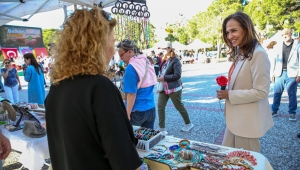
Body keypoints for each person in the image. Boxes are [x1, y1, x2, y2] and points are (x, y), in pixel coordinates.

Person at [45, 8, 142, 170]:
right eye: (112, 41)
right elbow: (125, 162)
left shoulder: (56, 89)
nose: (113, 51)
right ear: (100, 45)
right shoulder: (100, 89)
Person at [216, 12, 274, 152]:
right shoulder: (242, 52)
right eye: (227, 32)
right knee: (227, 157)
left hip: (247, 123)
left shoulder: (258, 53)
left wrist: (229, 95)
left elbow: (261, 92)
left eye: (234, 30)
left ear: (246, 29)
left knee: (247, 163)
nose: (230, 36)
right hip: (236, 120)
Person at [117, 39, 157, 129]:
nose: (120, 58)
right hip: (151, 109)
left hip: (137, 111)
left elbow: (131, 94)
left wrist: (127, 115)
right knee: (147, 140)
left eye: (121, 54)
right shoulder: (146, 61)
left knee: (131, 140)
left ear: (130, 52)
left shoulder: (131, 68)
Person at [157, 41, 194, 132]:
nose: (163, 50)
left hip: (174, 88)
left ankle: (188, 124)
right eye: (162, 49)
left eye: (165, 48)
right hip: (163, 88)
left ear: (170, 48)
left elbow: (177, 75)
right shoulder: (165, 60)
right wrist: (159, 77)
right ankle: (161, 128)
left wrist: (164, 77)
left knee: (179, 106)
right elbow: (163, 72)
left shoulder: (175, 60)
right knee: (160, 107)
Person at [271, 28, 300, 121]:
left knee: (292, 95)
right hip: (279, 73)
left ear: (291, 34)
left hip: (292, 74)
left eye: (286, 34)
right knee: (277, 93)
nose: (284, 36)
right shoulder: (278, 46)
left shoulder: (297, 46)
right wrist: (272, 72)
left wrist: (299, 74)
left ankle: (292, 113)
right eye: (282, 34)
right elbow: (273, 60)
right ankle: (274, 110)